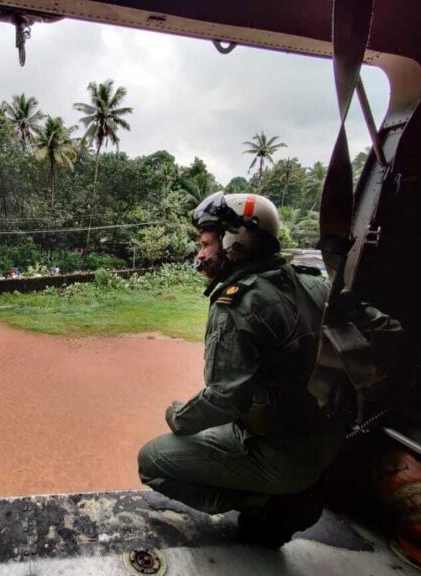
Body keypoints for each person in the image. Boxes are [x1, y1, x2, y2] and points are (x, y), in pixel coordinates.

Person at [137, 191, 346, 547]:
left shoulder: (238, 304)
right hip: (325, 442)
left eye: (206, 244)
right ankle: (281, 494)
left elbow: (223, 399)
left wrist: (178, 417)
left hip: (282, 452)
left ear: (235, 241)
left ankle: (266, 499)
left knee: (152, 459)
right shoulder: (314, 282)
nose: (200, 254)